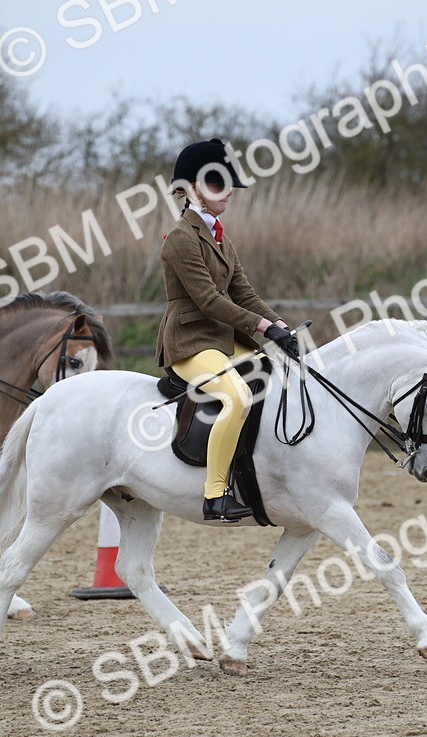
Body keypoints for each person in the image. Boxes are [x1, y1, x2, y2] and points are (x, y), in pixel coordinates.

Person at [155, 138, 301, 522]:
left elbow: (243, 292)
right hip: (189, 341)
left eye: (228, 184)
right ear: (192, 189)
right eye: (219, 184)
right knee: (235, 397)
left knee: (272, 373)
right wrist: (264, 326)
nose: (230, 191)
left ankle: (252, 470)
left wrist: (280, 325)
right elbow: (208, 301)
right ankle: (215, 494)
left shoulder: (220, 236)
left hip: (221, 339)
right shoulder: (180, 241)